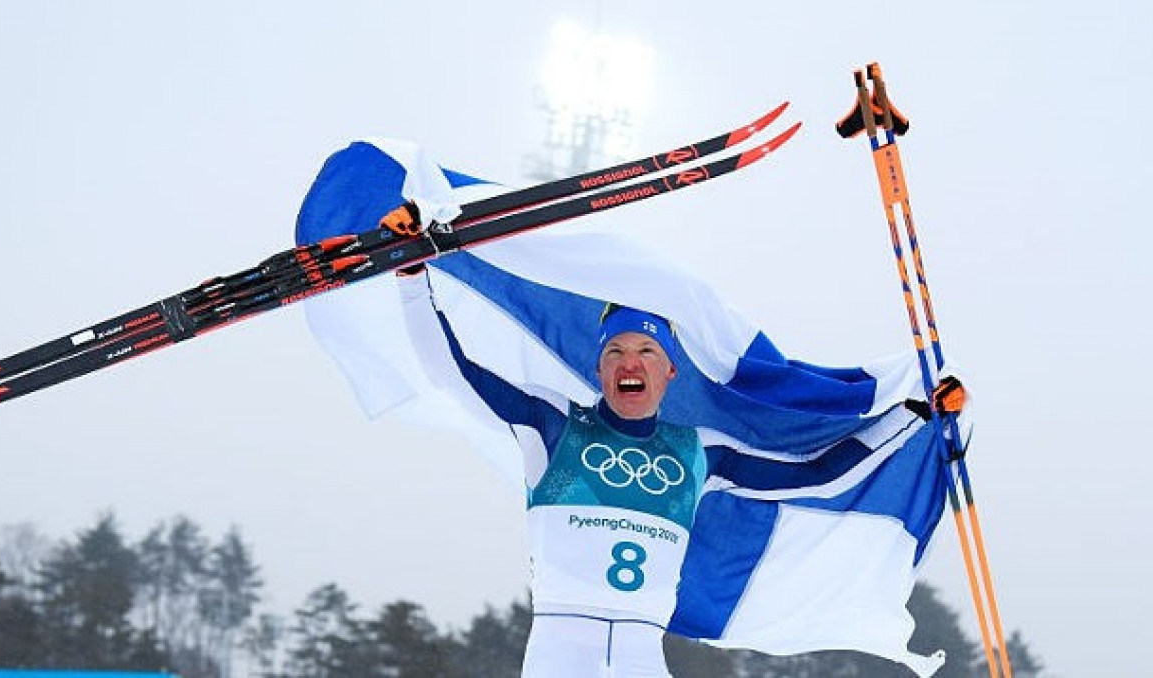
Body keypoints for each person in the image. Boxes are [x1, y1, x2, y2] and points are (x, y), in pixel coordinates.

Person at [393, 250, 964, 678]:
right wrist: (414, 280)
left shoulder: (699, 451)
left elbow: (817, 473)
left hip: (644, 653)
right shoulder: (554, 426)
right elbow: (453, 373)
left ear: (670, 373)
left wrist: (913, 415)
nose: (628, 363)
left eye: (645, 352)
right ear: (600, 370)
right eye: (614, 353)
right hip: (562, 651)